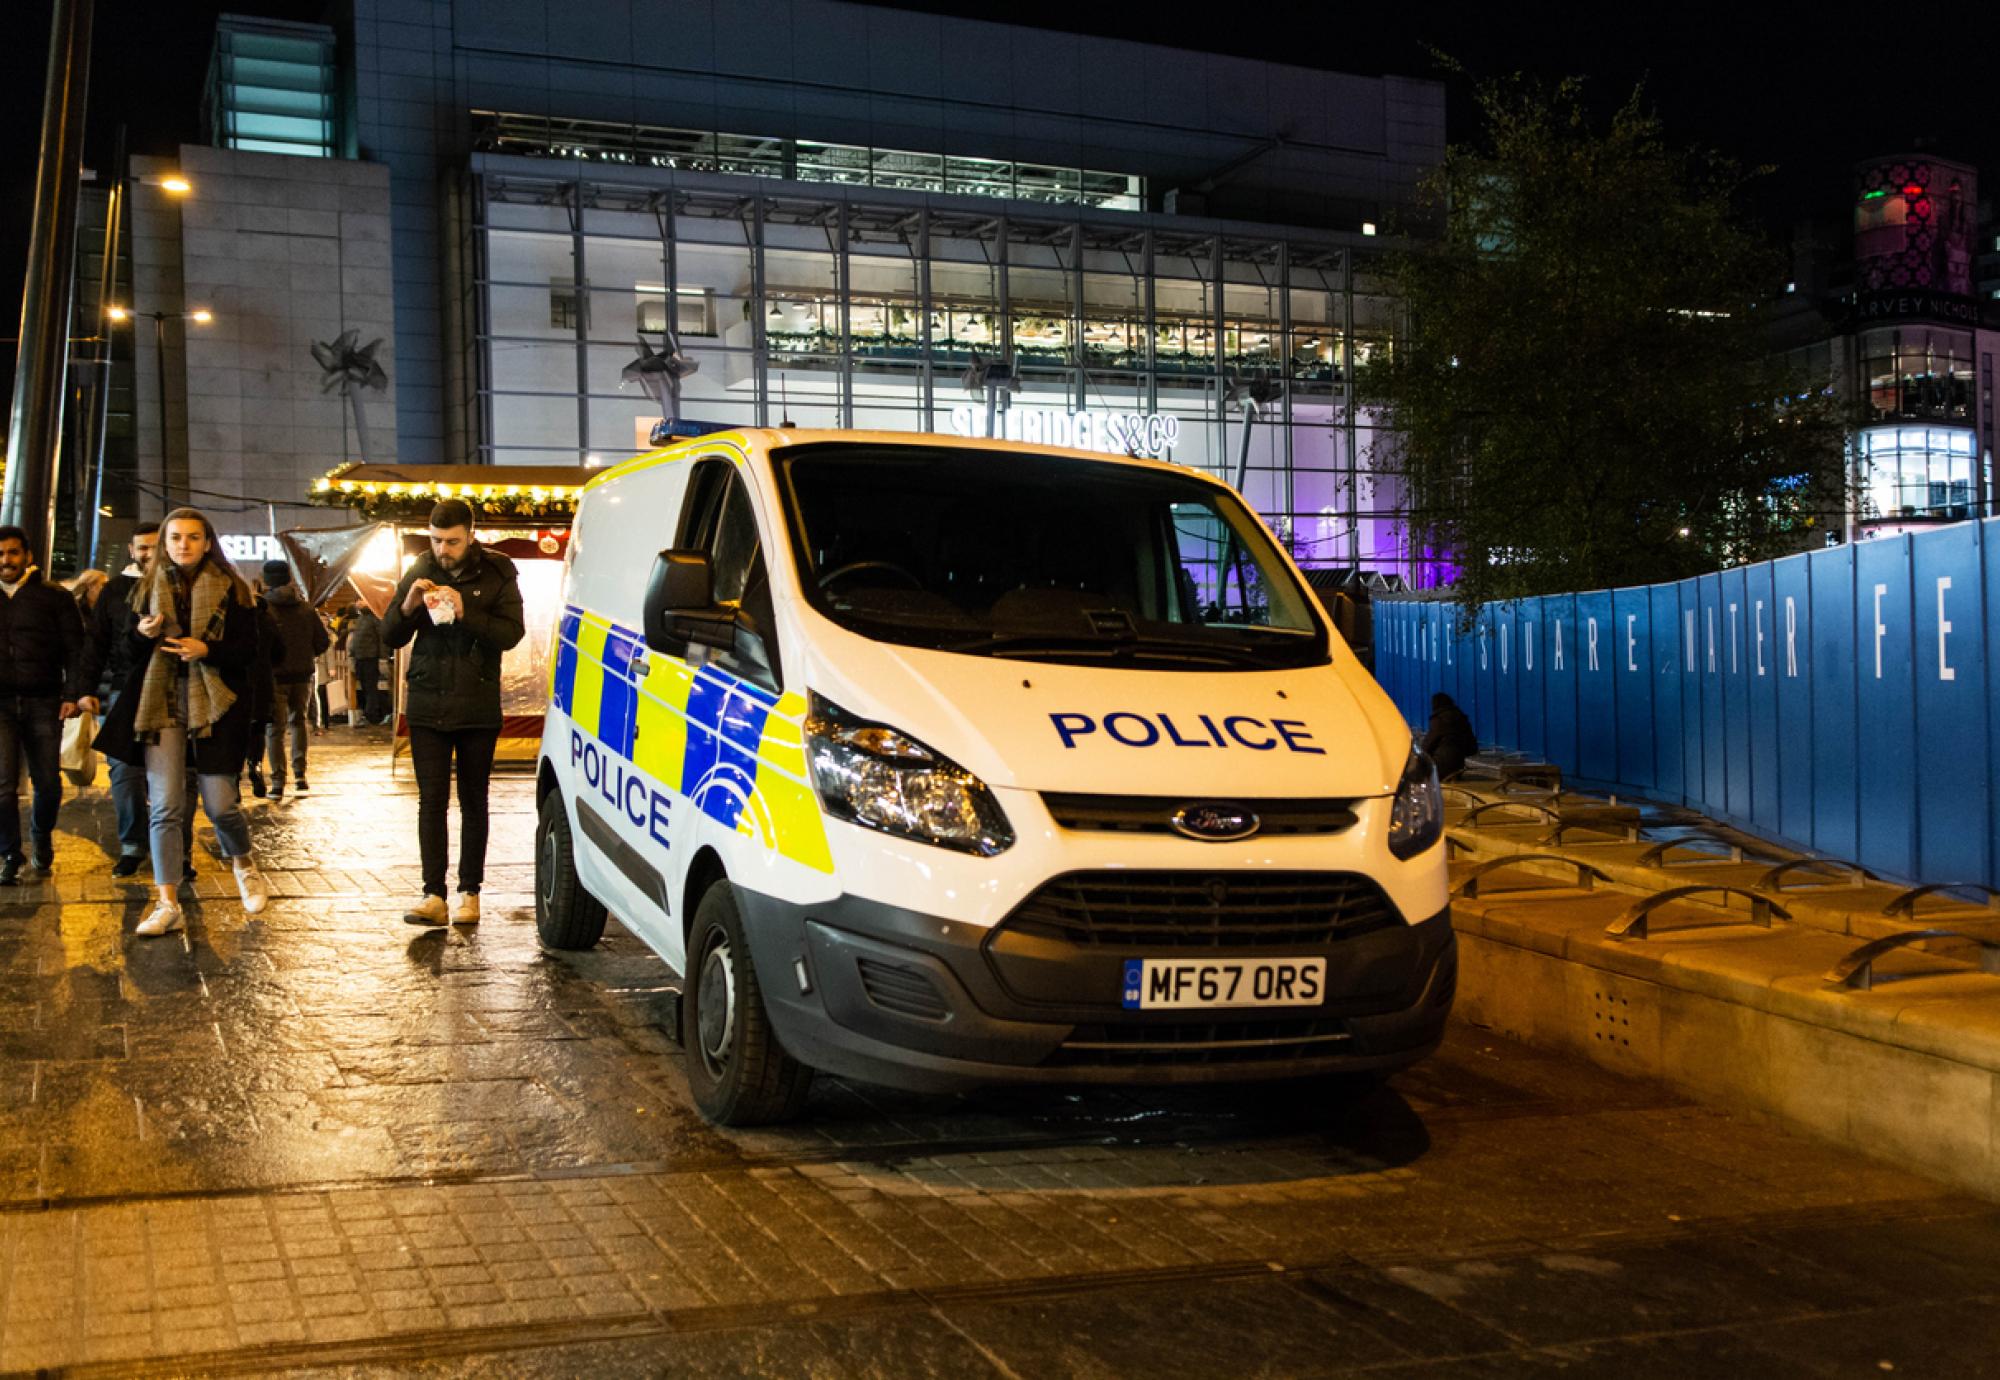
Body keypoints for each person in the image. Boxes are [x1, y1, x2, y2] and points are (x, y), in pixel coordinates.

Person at [94, 507, 271, 936]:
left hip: (217, 706)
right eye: (175, 538)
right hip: (161, 705)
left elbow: (250, 652)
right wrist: (142, 636)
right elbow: (122, 657)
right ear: (164, 545)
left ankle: (244, 864)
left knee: (220, 804)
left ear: (208, 542)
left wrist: (206, 650)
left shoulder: (234, 589)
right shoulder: (141, 590)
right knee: (167, 806)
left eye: (193, 537)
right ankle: (166, 901)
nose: (183, 545)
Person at [382, 499, 524, 927]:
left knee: (474, 801)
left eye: (452, 541)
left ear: (471, 534)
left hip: (477, 704)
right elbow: (390, 635)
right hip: (427, 703)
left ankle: (470, 893)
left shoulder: (499, 571)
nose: (443, 549)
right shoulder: (421, 568)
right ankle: (432, 894)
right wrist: (407, 605)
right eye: (437, 540)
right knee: (431, 802)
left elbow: (511, 633)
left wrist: (466, 610)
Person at [78, 522, 193, 878]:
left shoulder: (182, 586)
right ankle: (132, 846)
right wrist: (82, 690)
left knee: (179, 776)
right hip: (124, 690)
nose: (147, 554)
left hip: (173, 691)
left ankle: (180, 852)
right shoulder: (114, 590)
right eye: (141, 548)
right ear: (131, 551)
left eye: (152, 547)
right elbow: (96, 644)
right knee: (125, 772)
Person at [0, 526, 86, 885]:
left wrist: (72, 695)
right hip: (0, 704)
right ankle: (9, 853)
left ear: (28, 556)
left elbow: (76, 649)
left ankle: (41, 834)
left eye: (13, 553)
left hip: (44, 700)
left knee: (48, 783)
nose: (5, 560)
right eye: (0, 554)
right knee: (2, 787)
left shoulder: (54, 597)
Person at [259, 558, 328, 799]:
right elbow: (323, 641)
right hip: (302, 674)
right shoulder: (306, 608)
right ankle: (300, 777)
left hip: (274, 676)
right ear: (288, 578)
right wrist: (306, 655)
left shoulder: (262, 608)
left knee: (274, 729)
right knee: (298, 723)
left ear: (267, 581)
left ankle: (278, 783)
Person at [1422, 692, 1479, 782]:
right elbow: (1472, 748)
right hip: (1458, 768)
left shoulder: (1439, 720)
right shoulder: (1462, 719)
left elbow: (1426, 746)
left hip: (1440, 767)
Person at [347, 601, 388, 724]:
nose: (358, 603)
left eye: (361, 600)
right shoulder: (362, 618)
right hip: (363, 658)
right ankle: (370, 714)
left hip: (370, 658)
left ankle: (371, 715)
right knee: (366, 688)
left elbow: (381, 639)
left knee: (370, 688)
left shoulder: (373, 618)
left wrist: (382, 658)